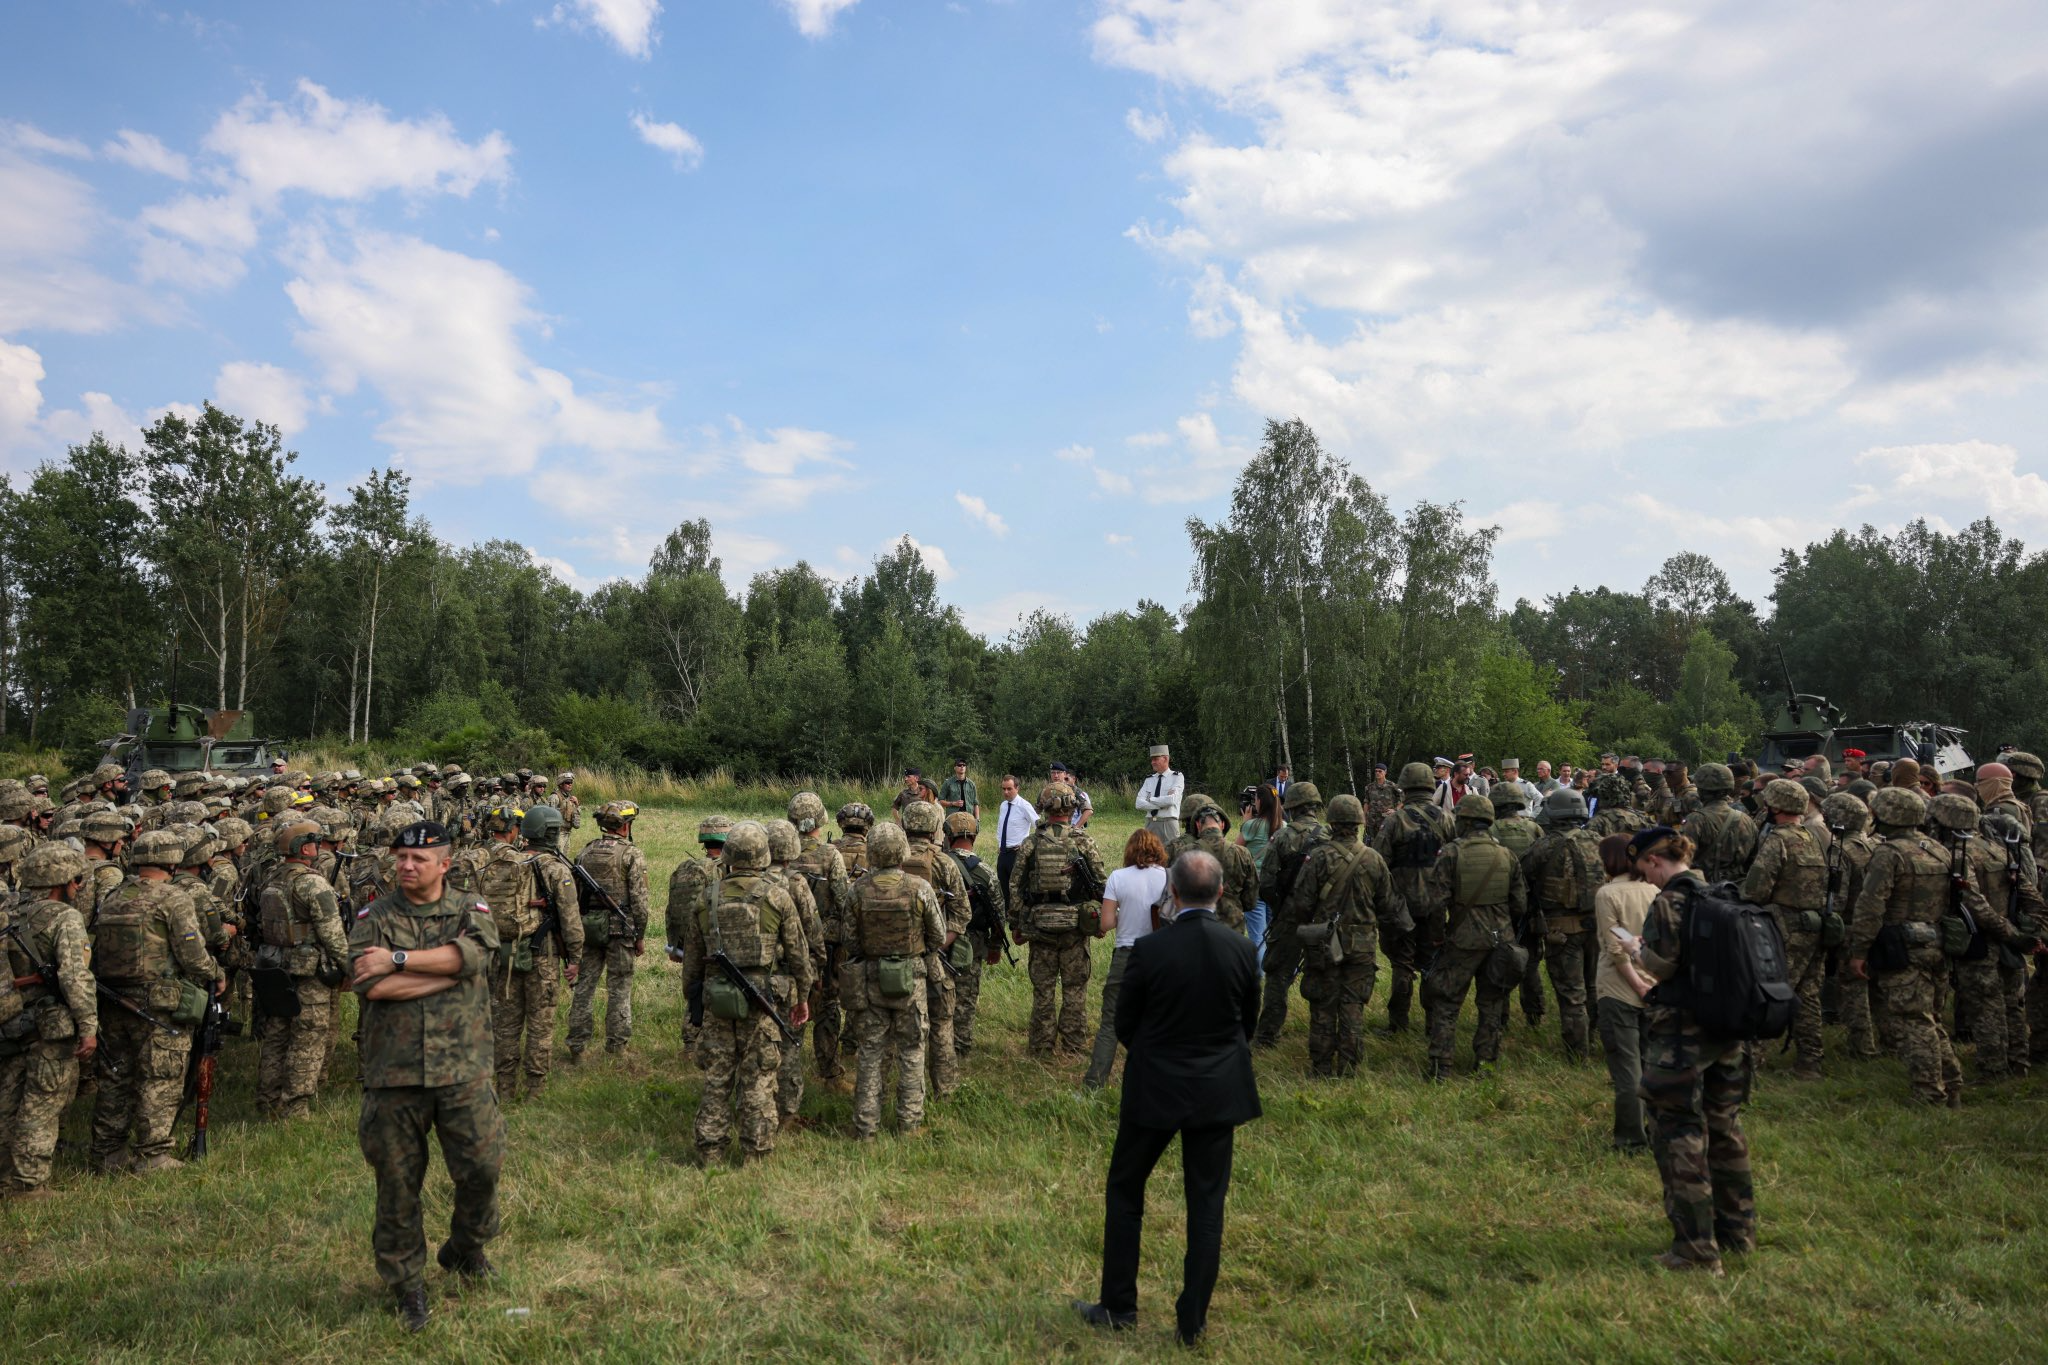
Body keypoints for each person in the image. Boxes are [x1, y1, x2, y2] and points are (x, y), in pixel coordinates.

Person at [1072, 850, 1260, 1348]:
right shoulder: (1241, 950)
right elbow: (1247, 1025)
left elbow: (1125, 1022)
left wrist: (1157, 1055)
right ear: (1220, 893)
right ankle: (1191, 1322)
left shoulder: (1150, 951)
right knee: (1206, 1203)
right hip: (1217, 1090)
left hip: (1155, 1086)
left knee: (1126, 1190)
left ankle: (1118, 1306)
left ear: (1171, 893)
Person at [350, 820, 505, 1332]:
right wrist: (446, 973)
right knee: (398, 1185)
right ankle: (406, 1284)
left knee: (481, 1169)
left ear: (446, 863)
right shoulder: (374, 914)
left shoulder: (470, 908)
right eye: (400, 858)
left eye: (419, 859)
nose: (406, 866)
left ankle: (464, 1248)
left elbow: (474, 956)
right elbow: (370, 986)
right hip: (394, 1074)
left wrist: (398, 961)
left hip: (464, 1068)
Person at [1626, 825, 1755, 1275]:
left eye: (1645, 868)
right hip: (1727, 1028)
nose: (1646, 879)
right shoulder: (1720, 895)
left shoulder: (1670, 902)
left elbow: (1662, 965)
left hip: (1681, 1033)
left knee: (1679, 1135)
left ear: (1656, 861)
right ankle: (1738, 1233)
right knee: (1725, 1129)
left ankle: (1696, 1251)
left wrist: (1634, 949)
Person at [89, 828, 224, 1174]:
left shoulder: (115, 895)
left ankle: (107, 1154)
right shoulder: (172, 898)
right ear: (173, 861)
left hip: (115, 1001)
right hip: (159, 1005)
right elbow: (193, 956)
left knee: (116, 1076)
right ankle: (152, 1155)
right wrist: (216, 971)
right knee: (160, 1077)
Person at [682, 822, 811, 1165]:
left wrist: (695, 1002)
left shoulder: (707, 897)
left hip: (717, 999)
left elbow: (692, 961)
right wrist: (802, 998)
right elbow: (799, 955)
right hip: (764, 1000)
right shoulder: (777, 896)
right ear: (763, 856)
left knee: (717, 1077)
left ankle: (710, 1151)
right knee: (759, 1077)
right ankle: (756, 1152)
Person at [0, 844, 98, 1197]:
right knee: (43, 1102)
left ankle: (5, 1175)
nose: (79, 887)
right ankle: (28, 1185)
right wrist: (88, 1028)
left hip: (10, 1019)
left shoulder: (7, 909)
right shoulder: (63, 917)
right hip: (48, 1024)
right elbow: (75, 976)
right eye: (77, 880)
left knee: (8, 1099)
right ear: (63, 882)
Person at [843, 822, 944, 1138]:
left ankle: (865, 1127)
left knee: (871, 1053)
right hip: (910, 980)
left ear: (871, 852)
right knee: (912, 1051)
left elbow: (850, 939)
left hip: (871, 980)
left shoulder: (858, 890)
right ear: (902, 851)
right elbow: (938, 935)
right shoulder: (919, 888)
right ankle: (909, 1124)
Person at [1423, 794, 1527, 1079]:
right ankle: (1486, 1064)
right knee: (1492, 1003)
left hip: (1462, 941)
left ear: (1465, 821)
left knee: (1446, 1001)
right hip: (1500, 940)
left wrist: (1436, 937)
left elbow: (1435, 903)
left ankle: (1440, 1067)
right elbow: (1520, 904)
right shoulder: (1507, 855)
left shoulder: (1451, 853)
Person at [254, 819, 351, 1120]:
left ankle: (268, 1100)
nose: (318, 847)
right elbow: (332, 933)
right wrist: (350, 968)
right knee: (308, 1036)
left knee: (276, 1035)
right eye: (315, 841)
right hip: (309, 971)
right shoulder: (312, 882)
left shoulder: (271, 878)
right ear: (304, 847)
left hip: (274, 967)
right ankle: (296, 1106)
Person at [1298, 795, 1396, 1077]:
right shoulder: (1374, 859)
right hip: (1362, 944)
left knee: (1323, 1004)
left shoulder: (1318, 857)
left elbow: (1302, 904)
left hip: (1325, 941)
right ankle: (1350, 1067)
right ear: (1359, 823)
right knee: (1353, 1004)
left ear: (1331, 822)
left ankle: (1321, 1067)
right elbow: (1387, 904)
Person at [1009, 782, 1107, 1057]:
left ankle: (1041, 1046)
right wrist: (1099, 921)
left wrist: (1017, 924)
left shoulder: (1031, 843)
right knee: (1075, 989)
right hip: (1075, 926)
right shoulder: (1083, 841)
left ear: (1043, 807)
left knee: (1043, 990)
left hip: (1040, 926)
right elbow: (1101, 885)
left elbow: (1015, 886)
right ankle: (1074, 1046)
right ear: (1071, 807)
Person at [1741, 779, 1830, 1080]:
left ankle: (1751, 1063)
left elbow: (1756, 887)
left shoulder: (1778, 840)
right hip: (1814, 926)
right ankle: (1810, 1061)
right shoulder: (1813, 836)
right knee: (1808, 995)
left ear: (1775, 806)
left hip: (1783, 929)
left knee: (1771, 992)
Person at [1082, 828, 1169, 1090]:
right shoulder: (1168, 876)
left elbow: (1106, 923)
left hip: (1126, 955)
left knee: (1110, 1022)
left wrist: (1123, 914)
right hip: (1160, 955)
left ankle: (1094, 1085)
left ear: (1129, 850)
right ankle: (1158, 1082)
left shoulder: (1118, 877)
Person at [567, 800, 651, 1060]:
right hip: (620, 930)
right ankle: (617, 1046)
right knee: (619, 988)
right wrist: (640, 935)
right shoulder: (631, 854)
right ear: (625, 827)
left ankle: (577, 1046)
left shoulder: (585, 851)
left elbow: (576, 894)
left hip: (589, 928)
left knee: (584, 987)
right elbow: (640, 901)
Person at [1375, 764, 1454, 1035]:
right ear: (1430, 788)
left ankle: (1398, 1023)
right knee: (1432, 962)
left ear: (1405, 788)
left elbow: (1379, 863)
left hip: (1401, 906)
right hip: (1435, 905)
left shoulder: (1394, 821)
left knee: (1402, 964)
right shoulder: (1445, 819)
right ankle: (1433, 1022)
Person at [1592, 834, 1656, 1152]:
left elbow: (1616, 951)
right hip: (1655, 985)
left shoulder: (1608, 893)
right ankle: (1657, 1130)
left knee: (1627, 1069)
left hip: (1619, 989)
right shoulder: (1655, 890)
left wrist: (1636, 985)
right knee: (1651, 1064)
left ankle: (1631, 1140)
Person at [513, 805, 583, 1098]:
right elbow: (570, 918)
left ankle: (503, 1084)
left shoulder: (508, 863)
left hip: (503, 953)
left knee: (506, 1022)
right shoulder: (556, 869)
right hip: (542, 953)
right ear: (551, 833)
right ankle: (535, 1089)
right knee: (541, 1022)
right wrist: (575, 957)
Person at [1252, 782, 1327, 1047]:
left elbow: (1267, 882)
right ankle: (1325, 1031)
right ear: (1316, 806)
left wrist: (1280, 907)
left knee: (1277, 974)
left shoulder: (1283, 837)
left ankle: (1266, 1036)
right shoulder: (1329, 835)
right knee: (1325, 972)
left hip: (1290, 918)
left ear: (1291, 807)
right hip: (1322, 921)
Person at [1238, 784, 1280, 962]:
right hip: (1275, 885)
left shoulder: (1251, 826)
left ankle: (1256, 975)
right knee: (1272, 932)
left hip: (1255, 885)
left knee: (1256, 936)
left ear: (1260, 801)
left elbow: (1236, 851)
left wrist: (1245, 822)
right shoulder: (1284, 826)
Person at [992, 774, 1036, 895]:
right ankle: (1006, 913)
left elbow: (1039, 827)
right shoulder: (1003, 805)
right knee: (1003, 889)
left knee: (1017, 890)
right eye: (1004, 789)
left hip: (1017, 854)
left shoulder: (1024, 806)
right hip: (1003, 853)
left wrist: (1026, 845)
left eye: (1009, 789)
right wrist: (1000, 843)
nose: (1006, 792)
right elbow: (1001, 826)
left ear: (1017, 788)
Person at [1135, 744, 1185, 847]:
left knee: (1171, 856)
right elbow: (1138, 803)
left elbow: (1172, 800)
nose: (1152, 762)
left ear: (1165, 758)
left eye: (1155, 759)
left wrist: (1150, 799)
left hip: (1168, 823)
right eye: (1152, 759)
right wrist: (1161, 804)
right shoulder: (1149, 779)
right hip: (1150, 823)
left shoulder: (1177, 777)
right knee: (1149, 856)